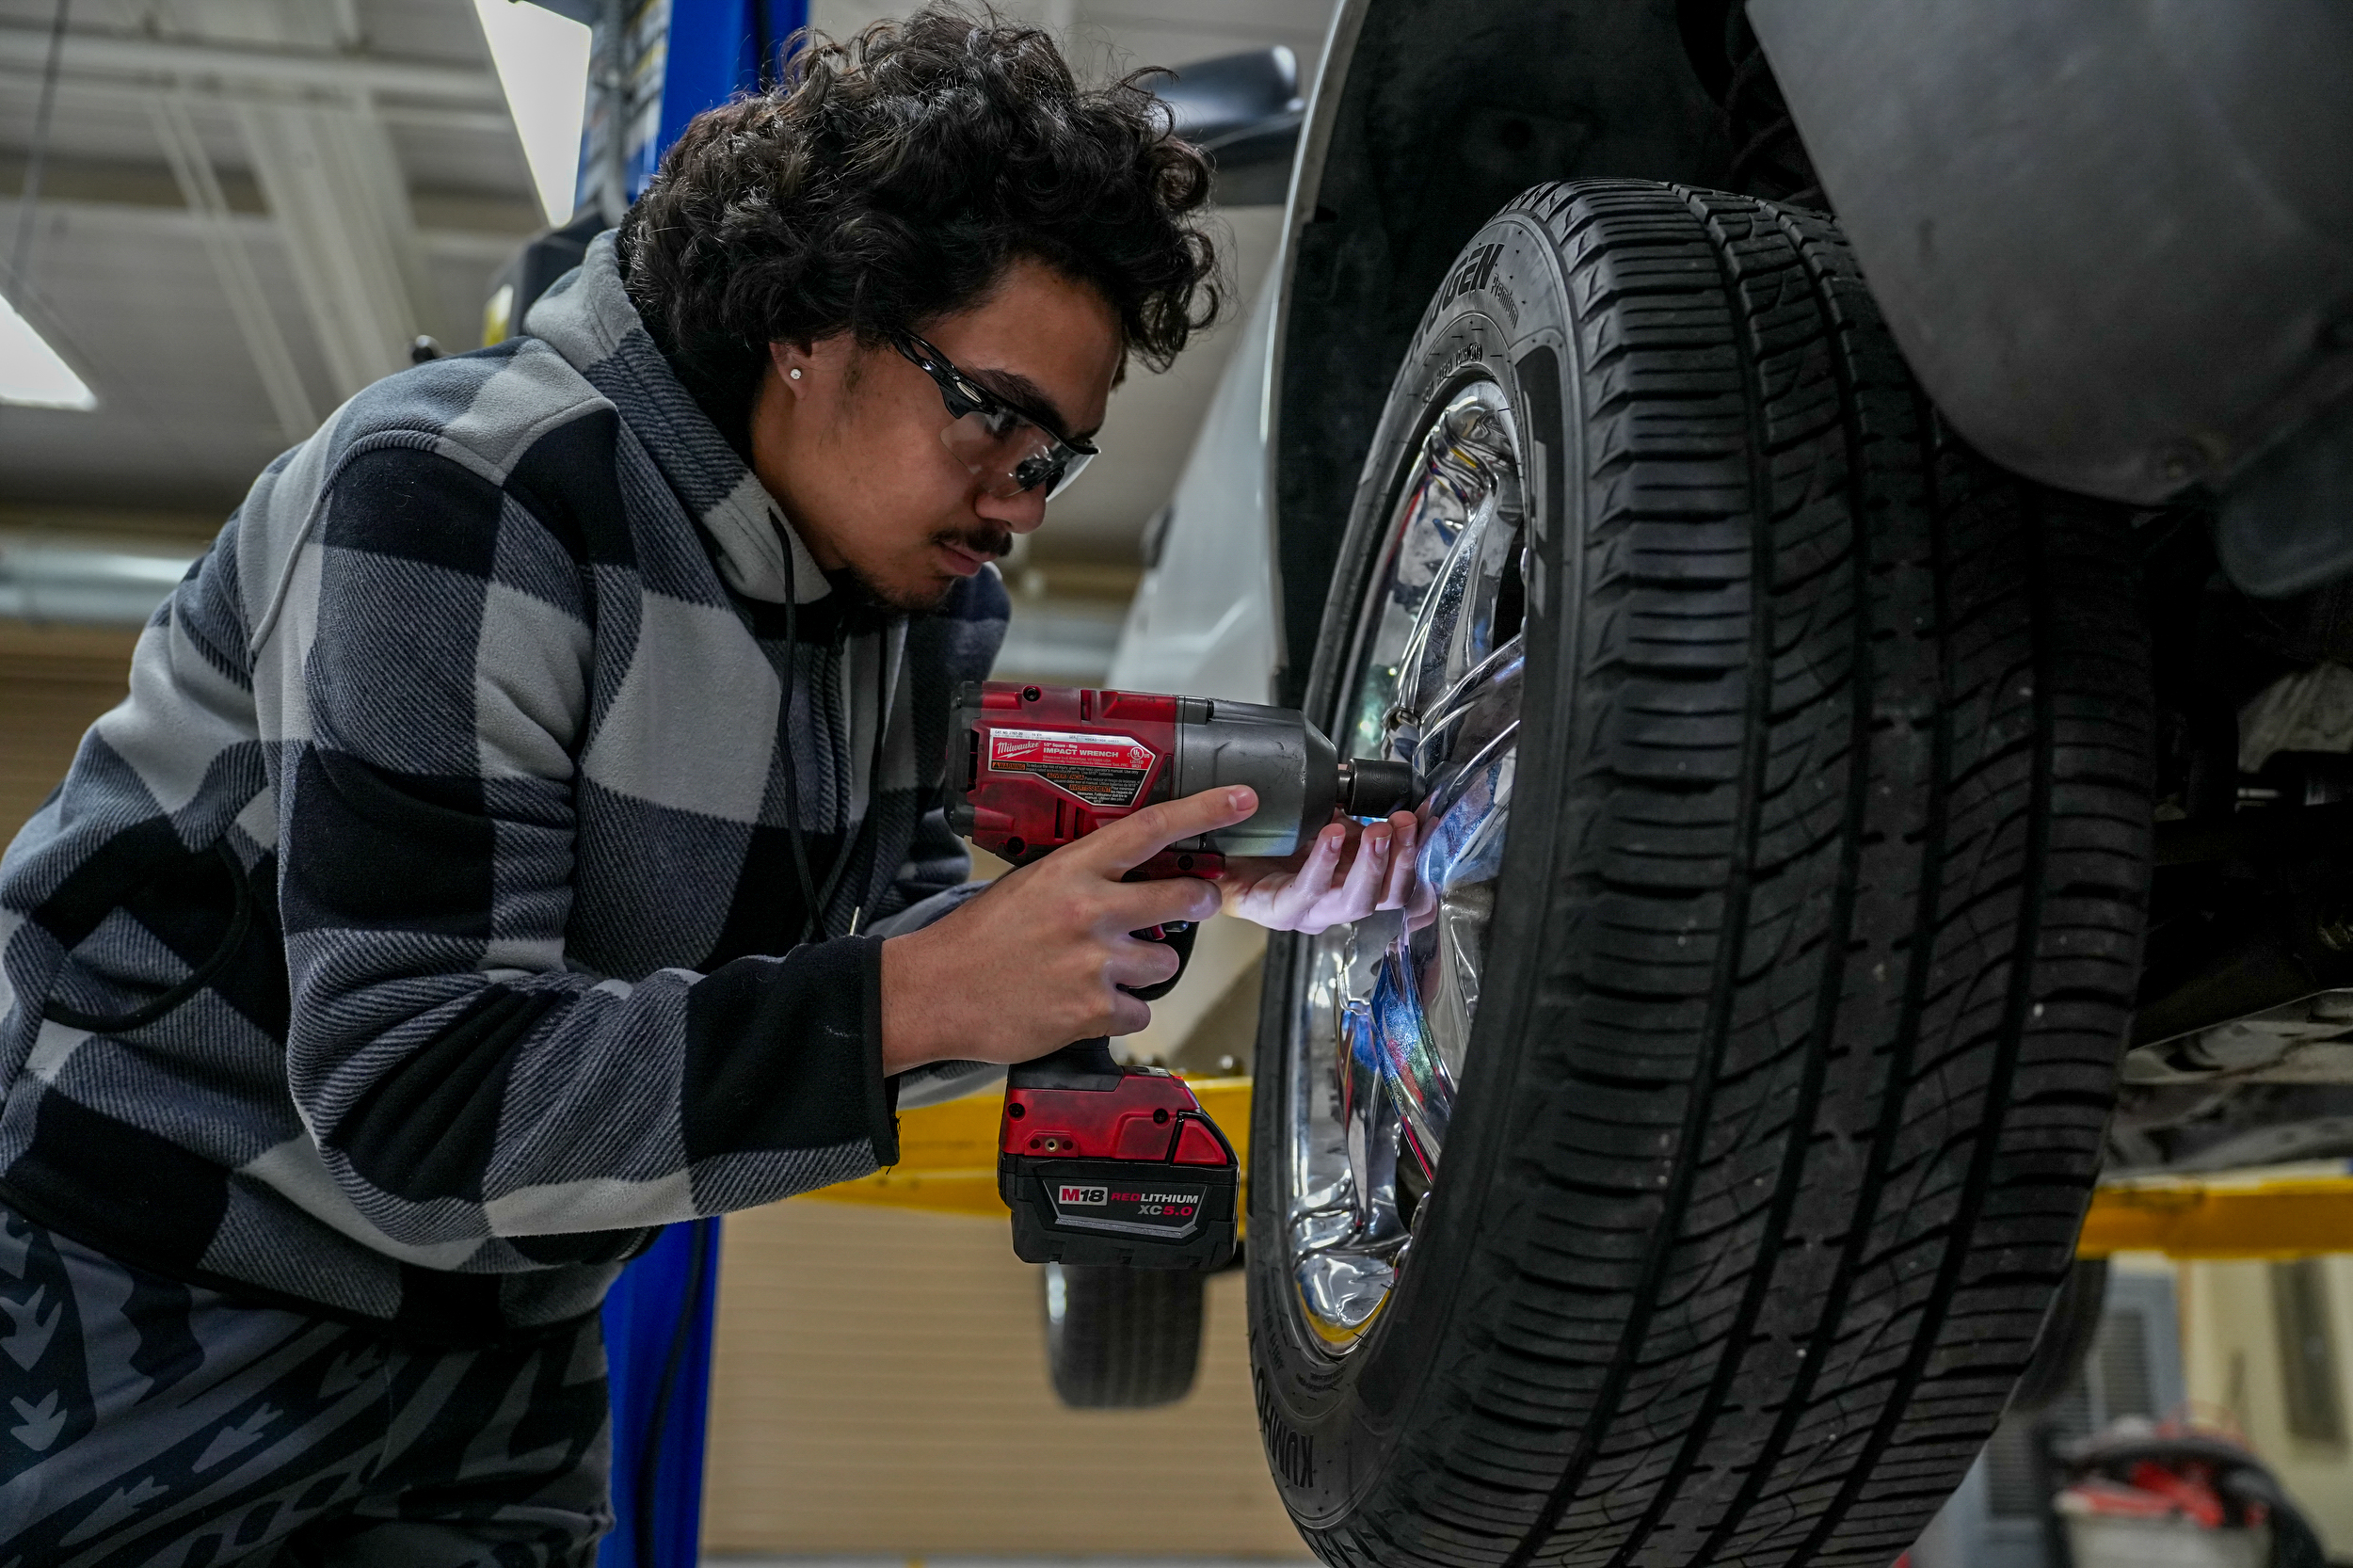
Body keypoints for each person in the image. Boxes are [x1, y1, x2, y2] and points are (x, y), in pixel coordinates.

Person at [0, 8, 1419, 1560]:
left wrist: (1179, 881)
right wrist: (931, 995)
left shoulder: (911, 606)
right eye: (995, 412)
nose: (1022, 495)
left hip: (503, 1325)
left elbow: (894, 950)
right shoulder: (464, 497)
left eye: (1059, 452)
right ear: (811, 322)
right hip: (130, 1284)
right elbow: (412, 1098)